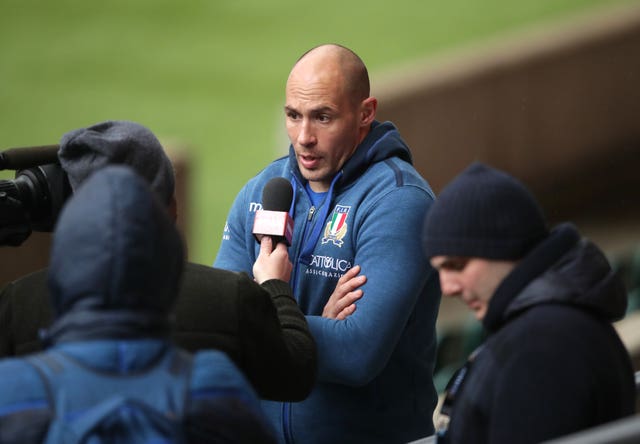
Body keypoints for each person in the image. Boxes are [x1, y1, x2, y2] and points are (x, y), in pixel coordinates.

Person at [214, 43, 441, 443]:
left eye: (322, 117)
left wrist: (268, 293)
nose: (304, 137)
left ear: (365, 113)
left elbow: (356, 354)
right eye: (293, 116)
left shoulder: (399, 202)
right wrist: (312, 319)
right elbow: (217, 332)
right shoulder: (261, 191)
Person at [0, 120, 316, 402]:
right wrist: (277, 288)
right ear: (172, 207)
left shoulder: (17, 305)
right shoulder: (228, 297)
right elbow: (297, 373)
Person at [0, 165, 276, 443]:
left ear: (61, 272)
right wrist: (278, 289)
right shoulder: (213, 386)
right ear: (170, 270)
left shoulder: (14, 390)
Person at [422, 162, 636, 444]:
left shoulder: (544, 346)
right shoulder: (543, 328)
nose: (447, 287)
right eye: (439, 270)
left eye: (457, 265)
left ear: (504, 247)